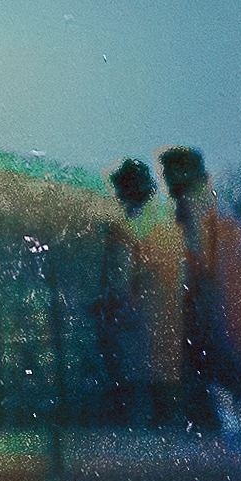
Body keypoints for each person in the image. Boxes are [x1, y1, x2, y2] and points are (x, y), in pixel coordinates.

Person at [158, 147, 241, 433]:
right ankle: (237, 428)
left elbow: (206, 263)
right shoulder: (211, 209)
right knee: (228, 373)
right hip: (221, 306)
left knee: (221, 370)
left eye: (171, 174)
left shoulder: (206, 213)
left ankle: (234, 428)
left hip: (217, 307)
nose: (168, 183)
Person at [96, 158, 185, 425]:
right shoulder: (152, 219)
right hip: (150, 330)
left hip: (154, 329)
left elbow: (141, 277)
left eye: (122, 192)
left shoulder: (151, 224)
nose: (119, 200)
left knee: (155, 403)